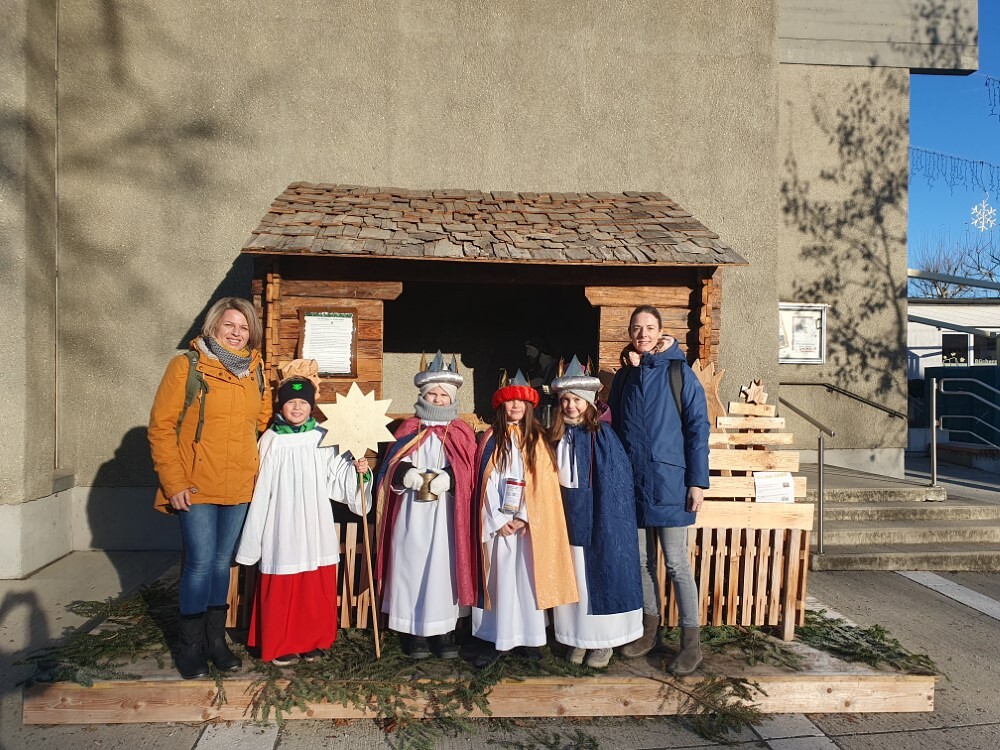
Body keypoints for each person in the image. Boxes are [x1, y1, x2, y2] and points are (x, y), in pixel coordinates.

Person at [148, 297, 271, 679]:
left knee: (222, 563)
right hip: (195, 485)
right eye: (229, 325)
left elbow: (263, 423)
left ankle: (216, 641)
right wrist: (174, 482)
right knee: (200, 563)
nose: (237, 333)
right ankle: (190, 646)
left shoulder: (256, 371)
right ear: (214, 325)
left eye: (244, 327)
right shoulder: (186, 366)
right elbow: (161, 428)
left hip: (240, 485)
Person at [235, 375, 371, 665]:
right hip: (281, 522)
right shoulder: (271, 440)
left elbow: (337, 476)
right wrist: (255, 535)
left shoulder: (322, 437)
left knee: (314, 583)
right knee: (283, 580)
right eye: (291, 402)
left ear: (311, 406)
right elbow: (261, 489)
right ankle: (280, 643)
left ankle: (312, 640)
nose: (297, 408)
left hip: (315, 521)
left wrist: (358, 470)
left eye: (303, 403)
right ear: (281, 405)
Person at [608, 305, 710, 676]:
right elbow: (615, 431)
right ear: (630, 333)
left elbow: (698, 428)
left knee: (676, 564)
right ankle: (650, 631)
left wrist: (697, 481)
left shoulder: (678, 372)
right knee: (641, 562)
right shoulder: (624, 377)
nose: (643, 334)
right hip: (634, 484)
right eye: (637, 328)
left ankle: (691, 645)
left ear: (660, 332)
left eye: (650, 327)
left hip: (671, 482)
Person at [471, 370, 578, 667]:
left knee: (529, 581)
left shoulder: (538, 440)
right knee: (499, 580)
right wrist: (497, 519)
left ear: (529, 406)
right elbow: (485, 483)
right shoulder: (491, 440)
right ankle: (496, 637)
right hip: (499, 525)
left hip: (529, 527)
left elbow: (545, 484)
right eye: (510, 401)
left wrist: (525, 517)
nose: (516, 405)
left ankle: (530, 639)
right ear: (501, 405)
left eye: (521, 401)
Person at [375, 352, 477, 660]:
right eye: (432, 394)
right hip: (411, 513)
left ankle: (443, 631)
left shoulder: (461, 431)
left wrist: (450, 478)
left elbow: (470, 470)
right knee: (411, 565)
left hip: (447, 516)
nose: (437, 399)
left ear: (452, 398)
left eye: (443, 395)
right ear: (422, 394)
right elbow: (391, 465)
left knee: (444, 568)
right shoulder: (409, 428)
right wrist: (405, 473)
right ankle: (414, 632)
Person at [549, 357, 643, 669]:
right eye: (566, 400)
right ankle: (578, 637)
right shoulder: (557, 436)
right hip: (567, 519)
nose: (571, 406)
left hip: (600, 522)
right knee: (574, 579)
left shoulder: (602, 436)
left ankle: (604, 643)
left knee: (601, 577)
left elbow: (615, 487)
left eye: (577, 400)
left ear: (589, 402)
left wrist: (606, 521)